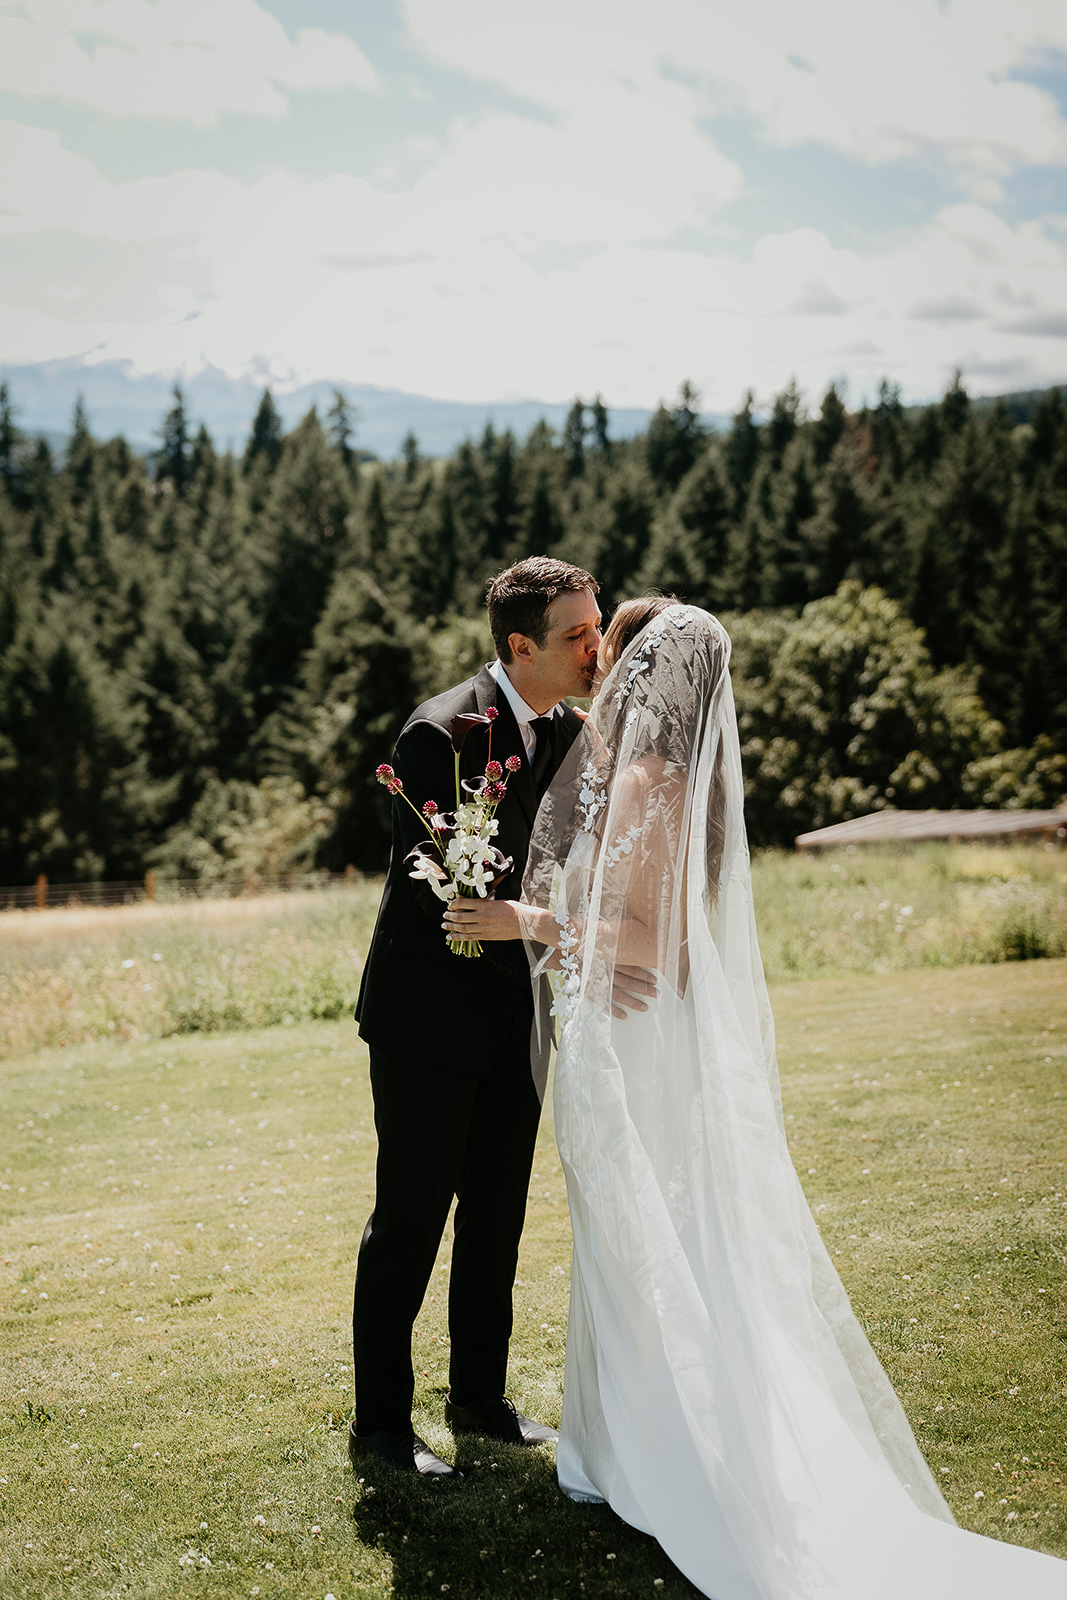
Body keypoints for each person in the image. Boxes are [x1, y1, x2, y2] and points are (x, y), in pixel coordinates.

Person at [445, 597, 1067, 1595]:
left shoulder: (649, 782)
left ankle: (665, 1457)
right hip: (617, 1033)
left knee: (646, 1236)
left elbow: (651, 944)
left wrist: (529, 919)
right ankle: (614, 1448)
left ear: (653, 681)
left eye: (623, 658)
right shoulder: (660, 776)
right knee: (631, 1239)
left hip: (631, 1041)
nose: (607, 669)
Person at [349, 556, 603, 1478]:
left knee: (496, 1216)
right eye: (577, 634)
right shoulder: (441, 732)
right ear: (519, 646)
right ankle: (380, 1426)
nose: (594, 645)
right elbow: (434, 892)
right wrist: (527, 920)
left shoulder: (576, 732)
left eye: (597, 624)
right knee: (410, 1218)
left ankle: (480, 1400)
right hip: (427, 1020)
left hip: (519, 1017)